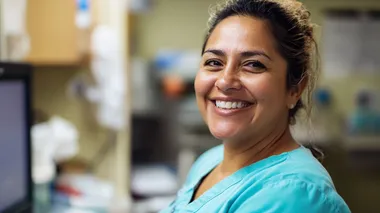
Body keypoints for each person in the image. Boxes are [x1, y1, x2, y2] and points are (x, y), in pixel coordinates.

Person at [160, 0, 350, 212]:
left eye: (253, 64)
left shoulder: (293, 193)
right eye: (214, 62)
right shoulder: (209, 161)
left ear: (294, 89)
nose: (225, 81)